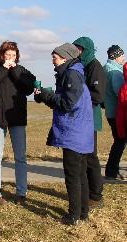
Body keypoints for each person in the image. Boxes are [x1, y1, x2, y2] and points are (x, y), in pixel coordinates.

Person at [34, 43, 94, 225]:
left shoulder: (71, 75)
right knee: (81, 173)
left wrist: (47, 95)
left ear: (65, 58)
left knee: (73, 175)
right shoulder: (72, 73)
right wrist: (46, 97)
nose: (52, 61)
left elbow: (68, 103)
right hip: (79, 132)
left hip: (74, 133)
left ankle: (74, 215)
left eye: (55, 57)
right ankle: (82, 213)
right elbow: (65, 101)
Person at [0, 41, 36, 206]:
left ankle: (21, 192)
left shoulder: (21, 70)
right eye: (8, 55)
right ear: (1, 55)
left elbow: (29, 87)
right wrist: (4, 69)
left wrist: (15, 70)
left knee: (20, 157)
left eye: (13, 55)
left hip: (17, 118)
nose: (11, 58)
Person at [72, 37, 106, 209]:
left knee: (91, 157)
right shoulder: (80, 66)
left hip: (91, 118)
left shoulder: (94, 66)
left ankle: (95, 195)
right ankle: (86, 192)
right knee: (83, 157)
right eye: (76, 48)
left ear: (87, 50)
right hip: (81, 118)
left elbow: (98, 96)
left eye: (80, 49)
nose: (77, 51)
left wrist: (77, 100)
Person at [103, 45, 127, 180]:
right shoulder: (115, 72)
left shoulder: (106, 67)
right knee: (120, 141)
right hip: (117, 112)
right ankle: (112, 171)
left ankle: (112, 170)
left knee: (119, 140)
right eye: (122, 55)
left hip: (111, 111)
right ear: (116, 56)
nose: (123, 58)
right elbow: (120, 93)